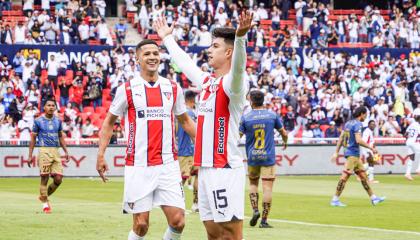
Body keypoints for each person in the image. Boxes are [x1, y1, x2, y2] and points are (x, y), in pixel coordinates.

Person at [153, 11, 253, 240]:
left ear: (228, 52)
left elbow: (238, 68)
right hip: (206, 168)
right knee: (213, 233)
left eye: (215, 46)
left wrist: (240, 39)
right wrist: (167, 38)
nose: (209, 50)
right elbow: (185, 63)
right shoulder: (209, 83)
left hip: (224, 168)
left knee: (230, 235)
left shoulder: (234, 85)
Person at [96, 39, 196, 240]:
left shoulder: (173, 88)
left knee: (178, 221)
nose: (152, 57)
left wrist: (206, 146)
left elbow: (185, 121)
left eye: (155, 53)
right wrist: (100, 154)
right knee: (141, 225)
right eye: (147, 54)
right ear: (137, 59)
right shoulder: (128, 89)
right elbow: (108, 122)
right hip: (139, 164)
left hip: (168, 163)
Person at [239, 90, 288, 228]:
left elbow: (237, 135)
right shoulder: (272, 115)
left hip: (253, 156)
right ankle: (264, 221)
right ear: (263, 100)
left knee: (253, 184)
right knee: (267, 188)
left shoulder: (246, 117)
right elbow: (283, 132)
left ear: (251, 101)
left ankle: (255, 210)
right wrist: (285, 141)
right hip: (268, 157)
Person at [330, 106, 385, 207]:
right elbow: (358, 140)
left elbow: (341, 138)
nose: (366, 117)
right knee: (345, 176)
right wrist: (371, 148)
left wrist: (336, 152)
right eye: (366, 115)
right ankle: (335, 199)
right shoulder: (358, 124)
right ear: (362, 114)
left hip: (352, 153)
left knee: (363, 176)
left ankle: (374, 198)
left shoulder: (348, 123)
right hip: (352, 154)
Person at [27, 99, 69, 213]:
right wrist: (30, 155)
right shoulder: (38, 121)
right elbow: (33, 139)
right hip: (44, 150)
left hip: (56, 151)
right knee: (44, 178)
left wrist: (66, 151)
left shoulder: (58, 121)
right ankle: (45, 204)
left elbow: (60, 136)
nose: (51, 107)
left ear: (55, 108)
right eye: (48, 105)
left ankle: (43, 196)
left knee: (59, 179)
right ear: (44, 107)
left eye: (53, 105)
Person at [177, 90, 199, 212]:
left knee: (183, 178)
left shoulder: (184, 113)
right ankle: (195, 204)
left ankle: (179, 203)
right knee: (194, 177)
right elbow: (192, 132)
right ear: (191, 100)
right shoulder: (190, 113)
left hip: (185, 150)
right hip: (189, 150)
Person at [404, 108, 420, 180]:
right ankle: (418, 169)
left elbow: (405, 134)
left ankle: (407, 173)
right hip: (414, 142)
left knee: (411, 157)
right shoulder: (418, 125)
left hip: (408, 142)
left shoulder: (412, 124)